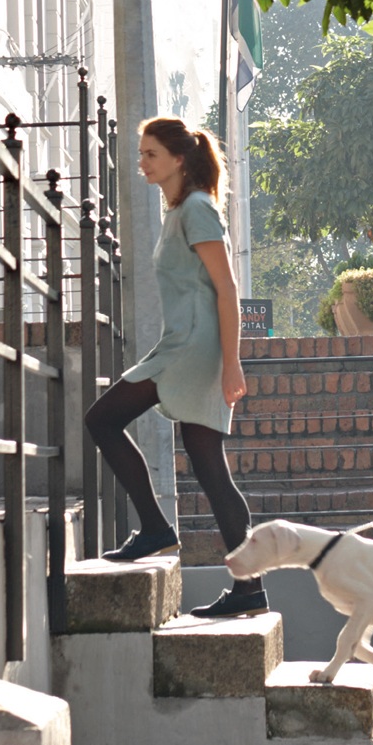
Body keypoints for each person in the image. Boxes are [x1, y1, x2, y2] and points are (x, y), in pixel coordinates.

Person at [84, 116, 261, 617]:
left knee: (103, 419)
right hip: (181, 344)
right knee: (208, 466)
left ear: (178, 159)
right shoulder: (181, 210)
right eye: (141, 154)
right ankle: (249, 587)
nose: (141, 162)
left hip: (193, 349)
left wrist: (232, 364)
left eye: (150, 154)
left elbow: (227, 290)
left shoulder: (198, 210)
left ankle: (159, 531)